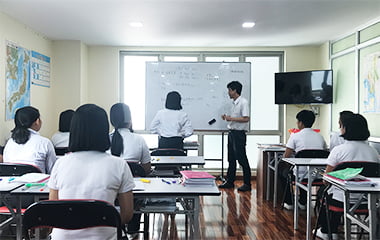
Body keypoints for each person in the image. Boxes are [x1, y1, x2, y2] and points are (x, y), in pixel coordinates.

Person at [48, 104, 135, 240]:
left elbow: (53, 210)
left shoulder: (60, 164)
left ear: (74, 130)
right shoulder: (119, 164)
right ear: (104, 130)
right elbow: (127, 214)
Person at [315, 114, 379, 240]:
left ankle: (327, 230)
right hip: (369, 201)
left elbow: (326, 179)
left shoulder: (339, 150)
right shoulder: (373, 152)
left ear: (345, 129)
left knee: (324, 192)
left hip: (342, 199)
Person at [281, 110, 327, 210]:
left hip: (300, 174)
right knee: (306, 171)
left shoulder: (295, 136)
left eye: (297, 121)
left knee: (284, 173)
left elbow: (286, 157)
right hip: (318, 175)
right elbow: (324, 152)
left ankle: (289, 202)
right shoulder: (320, 137)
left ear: (300, 123)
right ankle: (302, 202)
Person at [218, 81, 251, 192]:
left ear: (235, 90)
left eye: (229, 90)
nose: (228, 92)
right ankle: (230, 181)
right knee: (231, 158)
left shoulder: (243, 102)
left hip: (239, 134)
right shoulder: (233, 103)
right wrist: (227, 117)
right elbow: (235, 118)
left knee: (242, 159)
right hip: (232, 132)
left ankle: (247, 183)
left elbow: (246, 118)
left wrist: (230, 118)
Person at [2, 106, 56, 174]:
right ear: (37, 121)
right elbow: (52, 171)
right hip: (37, 184)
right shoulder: (45, 143)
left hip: (10, 183)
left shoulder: (10, 142)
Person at [110, 103, 151, 174]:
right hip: (135, 184)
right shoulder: (139, 139)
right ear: (130, 120)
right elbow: (147, 169)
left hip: (112, 184)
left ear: (112, 121)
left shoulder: (105, 141)